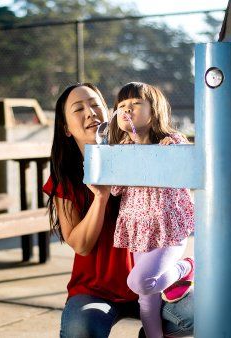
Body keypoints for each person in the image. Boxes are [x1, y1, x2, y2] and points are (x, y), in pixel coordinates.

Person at [43, 83, 193, 338]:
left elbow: (179, 181)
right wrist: (100, 197)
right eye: (79, 109)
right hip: (96, 290)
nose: (90, 112)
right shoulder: (65, 179)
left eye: (95, 104)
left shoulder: (132, 152)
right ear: (66, 129)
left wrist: (166, 153)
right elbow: (81, 245)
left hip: (149, 278)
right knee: (81, 331)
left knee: (203, 313)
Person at [108, 82, 194, 338]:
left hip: (168, 229)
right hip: (138, 229)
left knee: (139, 282)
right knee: (146, 299)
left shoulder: (172, 142)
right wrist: (126, 153)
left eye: (135, 104)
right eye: (121, 106)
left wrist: (170, 154)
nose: (127, 110)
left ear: (153, 111)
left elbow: (184, 175)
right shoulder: (123, 148)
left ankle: (185, 267)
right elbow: (115, 189)